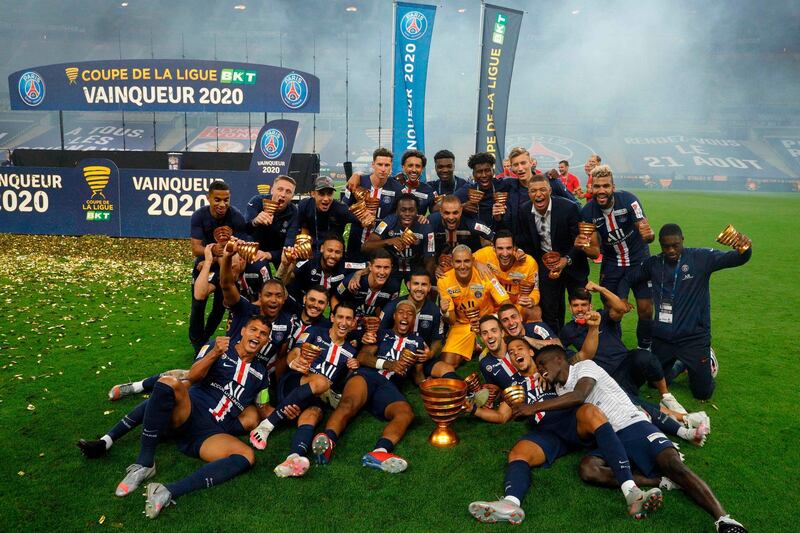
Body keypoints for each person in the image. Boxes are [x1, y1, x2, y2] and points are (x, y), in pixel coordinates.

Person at [79, 317, 299, 519]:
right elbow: (193, 375)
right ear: (242, 331)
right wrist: (214, 353)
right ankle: (145, 462)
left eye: (263, 334)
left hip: (211, 431)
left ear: (266, 341)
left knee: (246, 456)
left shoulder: (261, 374)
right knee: (168, 384)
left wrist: (286, 415)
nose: (257, 336)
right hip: (189, 411)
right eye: (254, 330)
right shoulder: (218, 345)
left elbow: (263, 407)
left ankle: (166, 490)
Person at [531, 346, 748, 532]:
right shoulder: (560, 390)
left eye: (542, 364)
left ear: (559, 359)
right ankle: (660, 482)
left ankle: (724, 519)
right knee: (588, 469)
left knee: (672, 464)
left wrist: (531, 407)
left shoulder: (584, 367)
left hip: (633, 424)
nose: (540, 369)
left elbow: (579, 396)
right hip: (610, 438)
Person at [469, 331, 667, 524]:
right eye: (511, 353)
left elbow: (582, 358)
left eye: (520, 348)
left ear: (531, 352)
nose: (515, 353)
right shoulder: (515, 386)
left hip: (570, 421)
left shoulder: (554, 371)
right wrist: (472, 409)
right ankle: (510, 503)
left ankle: (631, 492)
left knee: (590, 411)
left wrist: (543, 374)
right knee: (518, 453)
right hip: (545, 432)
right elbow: (503, 415)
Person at [632, 223, 752, 400]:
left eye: (675, 245)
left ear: (682, 240)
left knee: (702, 393)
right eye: (666, 246)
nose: (671, 250)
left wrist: (745, 248)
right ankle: (681, 365)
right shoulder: (654, 264)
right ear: (660, 244)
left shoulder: (701, 258)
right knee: (653, 382)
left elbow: (737, 259)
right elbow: (631, 277)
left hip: (694, 338)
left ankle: (707, 358)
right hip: (663, 337)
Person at [311, 301, 427, 473]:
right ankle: (327, 441)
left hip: (389, 386)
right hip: (368, 375)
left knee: (406, 413)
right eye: (401, 312)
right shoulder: (381, 334)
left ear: (413, 318)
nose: (405, 316)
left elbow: (418, 374)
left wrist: (428, 386)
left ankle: (379, 453)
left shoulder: (418, 342)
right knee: (348, 403)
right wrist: (388, 364)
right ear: (394, 316)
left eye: (409, 314)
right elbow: (363, 356)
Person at [560, 283, 688, 414]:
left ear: (590, 306)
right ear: (570, 308)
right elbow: (559, 350)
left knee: (644, 356)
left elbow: (621, 308)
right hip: (609, 377)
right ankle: (680, 367)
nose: (580, 309)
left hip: (628, 363)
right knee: (629, 403)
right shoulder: (568, 330)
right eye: (576, 305)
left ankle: (666, 397)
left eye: (584, 305)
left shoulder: (602, 316)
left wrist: (601, 289)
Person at [249, 303, 359, 454]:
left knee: (313, 414)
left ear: (353, 322)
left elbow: (339, 383)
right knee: (321, 381)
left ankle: (295, 457)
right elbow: (294, 352)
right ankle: (267, 425)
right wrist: (295, 362)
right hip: (295, 383)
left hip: (316, 397)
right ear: (332, 317)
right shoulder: (314, 332)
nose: (344, 322)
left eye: (348, 319)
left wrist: (351, 371)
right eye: (340, 317)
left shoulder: (351, 351)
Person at [581, 164, 656, 349]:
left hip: (639, 261)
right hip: (612, 264)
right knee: (613, 311)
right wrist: (583, 246)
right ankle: (615, 348)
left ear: (613, 187)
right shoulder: (587, 212)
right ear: (591, 188)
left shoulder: (630, 200)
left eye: (606, 186)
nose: (601, 190)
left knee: (646, 309)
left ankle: (644, 348)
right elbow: (595, 251)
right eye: (597, 186)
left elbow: (645, 230)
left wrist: (649, 235)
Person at [518, 174, 588, 331]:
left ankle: (584, 341)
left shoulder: (569, 208)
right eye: (533, 191)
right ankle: (555, 344)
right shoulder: (524, 210)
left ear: (550, 190)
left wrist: (566, 259)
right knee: (550, 308)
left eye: (543, 189)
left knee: (580, 306)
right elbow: (525, 241)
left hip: (572, 262)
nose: (538, 194)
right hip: (545, 265)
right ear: (528, 193)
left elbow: (580, 240)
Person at [432, 245, 510, 377]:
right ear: (452, 262)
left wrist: (490, 320)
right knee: (448, 362)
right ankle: (474, 345)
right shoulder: (444, 281)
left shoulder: (485, 274)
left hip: (488, 320)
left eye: (466, 261)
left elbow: (506, 303)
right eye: (458, 262)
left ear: (473, 260)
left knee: (505, 351)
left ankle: (478, 342)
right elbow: (451, 320)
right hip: (462, 324)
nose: (462, 266)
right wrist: (444, 311)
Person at [188, 180, 248, 352]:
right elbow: (195, 248)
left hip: (225, 266)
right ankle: (197, 343)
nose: (222, 204)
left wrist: (229, 256)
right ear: (209, 198)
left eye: (226, 199)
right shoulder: (199, 216)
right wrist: (213, 251)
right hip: (205, 262)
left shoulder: (236, 217)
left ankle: (204, 339)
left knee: (220, 306)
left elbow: (241, 247)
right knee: (198, 303)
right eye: (217, 200)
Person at [220, 241, 293, 379]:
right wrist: (227, 257)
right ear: (260, 296)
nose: (273, 300)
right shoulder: (245, 309)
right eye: (268, 295)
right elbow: (226, 284)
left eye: (278, 296)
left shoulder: (286, 323)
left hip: (257, 378)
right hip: (228, 367)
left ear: (284, 299)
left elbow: (281, 358)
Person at [379, 268, 442, 383]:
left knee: (446, 370)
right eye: (416, 284)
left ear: (429, 287)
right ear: (408, 285)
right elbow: (379, 333)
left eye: (423, 285)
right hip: (393, 357)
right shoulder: (392, 307)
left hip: (421, 359)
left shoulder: (434, 310)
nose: (419, 288)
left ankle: (467, 393)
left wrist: (430, 353)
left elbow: (437, 339)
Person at [343, 148, 403, 263]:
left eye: (387, 165)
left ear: (391, 167)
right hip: (356, 239)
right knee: (353, 277)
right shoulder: (358, 182)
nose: (383, 169)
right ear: (373, 165)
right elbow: (343, 209)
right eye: (380, 164)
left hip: (380, 243)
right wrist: (359, 217)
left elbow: (397, 215)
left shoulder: (397, 189)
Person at [363, 193, 435, 283]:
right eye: (403, 210)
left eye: (411, 210)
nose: (407, 214)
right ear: (397, 211)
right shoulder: (387, 222)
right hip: (392, 268)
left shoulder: (426, 227)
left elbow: (430, 259)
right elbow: (366, 247)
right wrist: (387, 241)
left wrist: (426, 282)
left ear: (417, 211)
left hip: (415, 268)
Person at [473, 230, 540, 321]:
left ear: (515, 248)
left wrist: (532, 300)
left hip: (516, 308)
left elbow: (535, 290)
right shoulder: (485, 254)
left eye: (509, 248)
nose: (505, 253)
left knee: (535, 311)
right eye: (500, 248)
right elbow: (463, 257)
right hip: (488, 308)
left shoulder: (529, 263)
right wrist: (476, 263)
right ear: (494, 248)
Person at [279, 232, 346, 312]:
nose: (333, 256)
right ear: (322, 249)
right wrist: (286, 266)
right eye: (330, 250)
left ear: (342, 254)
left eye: (337, 252)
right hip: (295, 303)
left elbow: (363, 266)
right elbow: (285, 281)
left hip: (319, 310)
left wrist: (358, 274)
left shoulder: (345, 266)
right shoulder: (309, 261)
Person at [428, 195, 493, 276]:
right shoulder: (431, 222)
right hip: (441, 266)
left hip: (469, 266)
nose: (451, 217)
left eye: (455, 213)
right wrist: (434, 267)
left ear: (461, 210)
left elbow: (496, 240)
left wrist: (477, 262)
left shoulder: (473, 225)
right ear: (440, 211)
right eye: (447, 213)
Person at [286, 176, 359, 248]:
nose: (326, 199)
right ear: (313, 194)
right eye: (322, 194)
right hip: (312, 251)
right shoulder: (305, 205)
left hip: (333, 253)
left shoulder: (340, 208)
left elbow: (361, 221)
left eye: (329, 194)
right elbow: (295, 229)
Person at [244, 175, 298, 268]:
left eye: (288, 192)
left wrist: (269, 254)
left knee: (291, 267)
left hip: (277, 254)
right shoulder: (257, 201)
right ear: (272, 190)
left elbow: (289, 244)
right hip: (254, 251)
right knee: (257, 268)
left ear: (292, 196)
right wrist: (255, 221)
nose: (283, 195)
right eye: (280, 189)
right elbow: (244, 230)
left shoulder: (294, 212)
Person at [334, 249, 401, 319]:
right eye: (378, 267)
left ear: (391, 267)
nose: (382, 272)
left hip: (371, 326)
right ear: (370, 266)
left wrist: (379, 323)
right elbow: (335, 298)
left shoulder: (394, 287)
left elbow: (388, 311)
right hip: (348, 323)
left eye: (386, 267)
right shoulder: (352, 281)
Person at [456, 152, 509, 229]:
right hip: (475, 236)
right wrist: (461, 207)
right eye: (479, 172)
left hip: (500, 235)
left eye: (487, 170)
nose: (484, 175)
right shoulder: (468, 189)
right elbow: (445, 204)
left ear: (493, 172)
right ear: (474, 174)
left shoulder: (503, 185)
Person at [394, 149, 436, 214]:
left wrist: (425, 219)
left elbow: (435, 215)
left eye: (418, 166)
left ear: (422, 169)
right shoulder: (394, 185)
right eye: (410, 165)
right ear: (403, 167)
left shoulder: (428, 190)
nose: (414, 170)